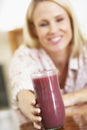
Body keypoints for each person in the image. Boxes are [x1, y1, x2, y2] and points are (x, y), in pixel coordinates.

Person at [9, 0, 87, 129]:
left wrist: (65, 100)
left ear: (71, 20)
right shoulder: (25, 56)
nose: (53, 30)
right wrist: (32, 109)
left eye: (59, 19)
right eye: (44, 24)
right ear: (34, 30)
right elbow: (21, 90)